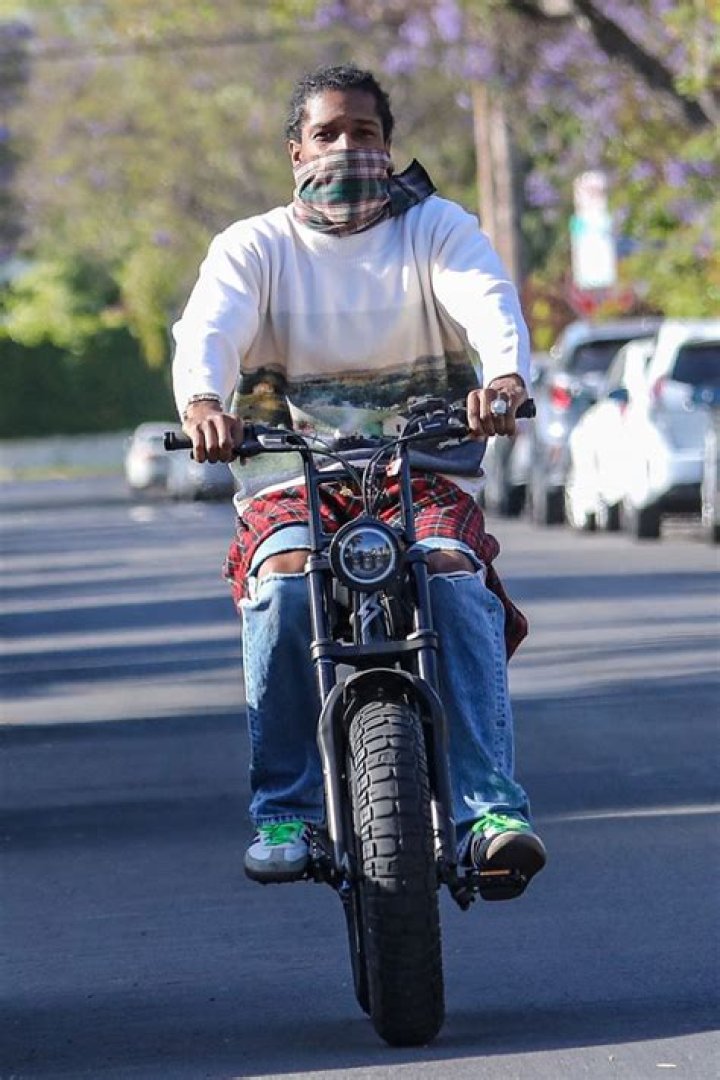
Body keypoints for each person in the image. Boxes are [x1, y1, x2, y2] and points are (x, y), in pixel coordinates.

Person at [172, 63, 546, 892]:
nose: (349, 148)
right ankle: (287, 811)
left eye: (366, 133)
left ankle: (491, 807)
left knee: (453, 573)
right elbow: (210, 329)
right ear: (295, 151)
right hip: (289, 478)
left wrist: (505, 379)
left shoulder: (437, 228)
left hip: (422, 473)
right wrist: (203, 401)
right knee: (283, 582)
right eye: (329, 133)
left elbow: (486, 299)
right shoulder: (253, 246)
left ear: (389, 143)